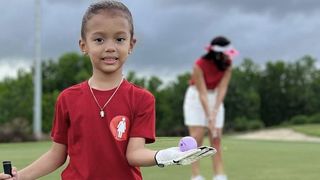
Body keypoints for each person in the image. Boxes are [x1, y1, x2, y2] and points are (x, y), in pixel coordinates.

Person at [0, 1, 215, 180]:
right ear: (83, 45)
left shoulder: (142, 99)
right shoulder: (67, 98)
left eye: (119, 39)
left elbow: (134, 154)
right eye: (99, 39)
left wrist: (167, 155)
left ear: (131, 44)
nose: (110, 47)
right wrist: (21, 177)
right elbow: (57, 155)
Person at [183, 36, 239, 180]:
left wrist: (214, 113)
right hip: (196, 97)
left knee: (216, 137)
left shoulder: (228, 64)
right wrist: (209, 117)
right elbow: (202, 93)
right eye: (226, 52)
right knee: (197, 137)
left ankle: (219, 174)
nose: (229, 55)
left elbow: (222, 88)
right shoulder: (199, 65)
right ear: (218, 53)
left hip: (215, 97)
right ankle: (196, 176)